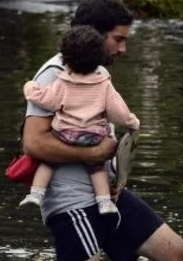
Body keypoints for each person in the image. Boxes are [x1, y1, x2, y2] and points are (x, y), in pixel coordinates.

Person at [21, 0, 183, 261]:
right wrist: (92, 155)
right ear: (94, 35)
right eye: (118, 39)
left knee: (178, 255)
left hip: (107, 196)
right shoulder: (55, 73)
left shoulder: (98, 73)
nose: (124, 48)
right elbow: (34, 143)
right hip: (72, 201)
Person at [21, 25, 140, 215]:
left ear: (66, 59)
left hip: (66, 135)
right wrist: (132, 122)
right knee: (97, 169)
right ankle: (104, 203)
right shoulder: (104, 84)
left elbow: (47, 100)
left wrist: (30, 88)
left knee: (48, 163)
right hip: (94, 136)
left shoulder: (62, 82)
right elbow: (119, 112)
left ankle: (36, 194)